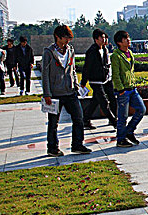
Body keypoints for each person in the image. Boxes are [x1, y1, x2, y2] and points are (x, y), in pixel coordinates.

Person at [41, 25, 91, 157]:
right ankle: (52, 148)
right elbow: (45, 74)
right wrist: (47, 94)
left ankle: (77, 145)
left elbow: (72, 70)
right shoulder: (49, 52)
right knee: (53, 122)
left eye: (69, 38)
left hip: (70, 92)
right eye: (65, 37)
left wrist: (76, 85)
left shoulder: (70, 50)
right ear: (57, 37)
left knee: (79, 118)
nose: (68, 40)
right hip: (55, 94)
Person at [111, 30, 146, 147]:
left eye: (128, 37)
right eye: (125, 39)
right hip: (123, 91)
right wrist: (120, 89)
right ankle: (121, 139)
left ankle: (129, 131)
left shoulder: (130, 52)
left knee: (141, 109)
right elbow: (115, 74)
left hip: (132, 88)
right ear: (119, 42)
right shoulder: (116, 56)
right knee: (122, 117)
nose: (128, 40)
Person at [81, 29, 117, 130]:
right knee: (103, 101)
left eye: (105, 37)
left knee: (98, 101)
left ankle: (85, 119)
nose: (104, 39)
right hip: (95, 81)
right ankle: (114, 121)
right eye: (102, 38)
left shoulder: (104, 49)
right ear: (96, 39)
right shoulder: (92, 51)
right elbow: (87, 67)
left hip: (105, 79)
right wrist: (84, 81)